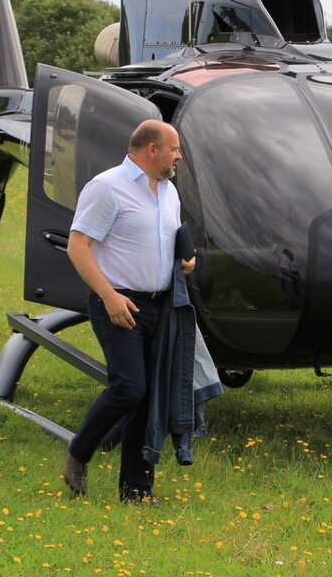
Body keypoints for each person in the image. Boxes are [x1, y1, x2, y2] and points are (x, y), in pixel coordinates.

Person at [63, 119, 197, 502]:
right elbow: (78, 246)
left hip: (161, 305)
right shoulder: (107, 187)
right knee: (130, 388)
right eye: (174, 148)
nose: (179, 156)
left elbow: (164, 241)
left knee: (150, 394)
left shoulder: (169, 192)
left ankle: (136, 489)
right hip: (118, 301)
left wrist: (187, 261)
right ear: (152, 149)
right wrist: (108, 296)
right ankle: (79, 451)